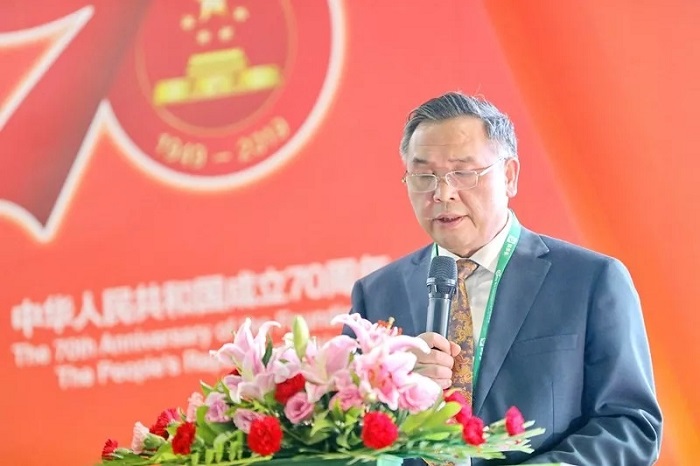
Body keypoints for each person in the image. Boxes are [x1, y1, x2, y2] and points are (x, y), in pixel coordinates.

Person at [347, 92, 662, 465]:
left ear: (509, 176)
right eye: (424, 176)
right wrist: (391, 394)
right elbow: (344, 434)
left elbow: (631, 427)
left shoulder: (590, 281)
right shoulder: (376, 295)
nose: (442, 193)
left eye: (463, 173)